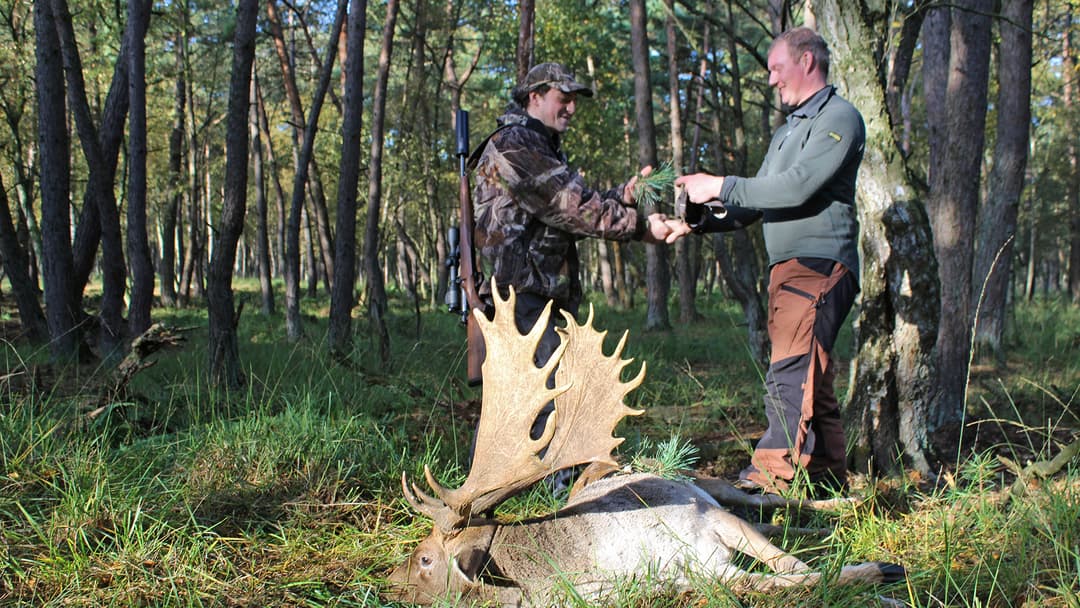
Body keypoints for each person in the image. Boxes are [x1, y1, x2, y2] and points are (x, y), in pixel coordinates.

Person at [673, 27, 865, 494]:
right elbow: (757, 202)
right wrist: (697, 218)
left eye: (777, 68)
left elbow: (798, 186)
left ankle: (768, 481)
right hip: (790, 268)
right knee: (811, 381)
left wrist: (719, 182)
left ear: (806, 61)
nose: (771, 80)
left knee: (791, 370)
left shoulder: (839, 117)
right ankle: (828, 483)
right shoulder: (788, 131)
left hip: (819, 264)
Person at [471, 62, 673, 368]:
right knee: (545, 408)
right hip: (518, 301)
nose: (572, 108)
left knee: (548, 402)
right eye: (564, 98)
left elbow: (563, 214)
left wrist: (622, 196)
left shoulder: (539, 145)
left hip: (533, 299)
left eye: (574, 100)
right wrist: (640, 227)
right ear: (535, 97)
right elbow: (569, 207)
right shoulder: (515, 143)